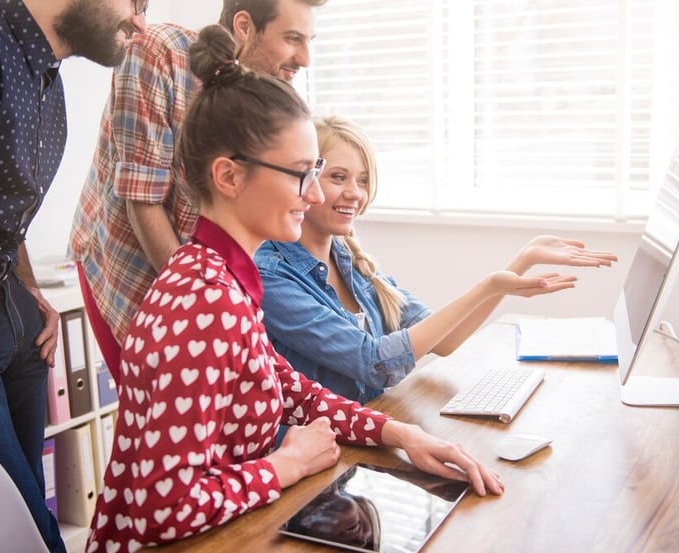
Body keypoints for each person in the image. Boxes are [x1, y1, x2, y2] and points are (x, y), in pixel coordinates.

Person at [87, 25, 504, 552]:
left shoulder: (223, 276)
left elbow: (289, 389)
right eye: (301, 174)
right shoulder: (204, 299)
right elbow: (160, 508)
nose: (313, 195)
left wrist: (401, 434)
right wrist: (284, 465)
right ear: (229, 177)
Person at [255, 116, 619, 403]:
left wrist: (520, 262)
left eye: (363, 180)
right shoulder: (271, 275)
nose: (355, 193)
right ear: (308, 179)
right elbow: (375, 363)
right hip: (318, 456)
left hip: (369, 436)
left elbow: (443, 340)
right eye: (338, 177)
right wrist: (490, 284)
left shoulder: (350, 259)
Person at [68, 0, 326, 383]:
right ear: (244, 25)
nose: (304, 58)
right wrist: (199, 304)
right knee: (164, 414)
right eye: (292, 39)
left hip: (203, 277)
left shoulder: (263, 95)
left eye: (309, 41)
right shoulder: (159, 53)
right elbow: (143, 199)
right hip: (129, 264)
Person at [0, 0, 147, 549]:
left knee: (5, 532)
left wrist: (32, 289)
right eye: (134, 1)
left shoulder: (51, 83)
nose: (139, 21)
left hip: (15, 318)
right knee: (32, 536)